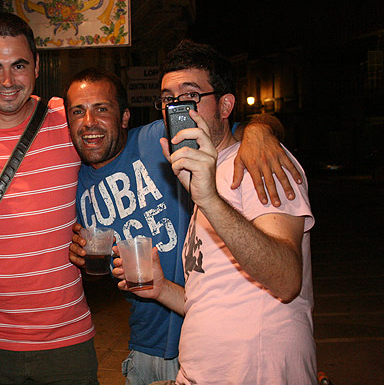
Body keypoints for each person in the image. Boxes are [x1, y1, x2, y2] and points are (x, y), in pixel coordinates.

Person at [65, 68, 301, 385]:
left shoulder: (157, 140)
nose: (89, 121)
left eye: (101, 109)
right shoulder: (74, 186)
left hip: (211, 342)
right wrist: (83, 260)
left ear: (124, 117)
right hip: (145, 345)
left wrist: (261, 131)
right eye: (77, 111)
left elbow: (232, 128)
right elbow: (105, 273)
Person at [113, 40, 316, 384]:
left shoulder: (257, 163)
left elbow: (286, 280)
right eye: (168, 99)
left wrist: (209, 199)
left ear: (225, 105)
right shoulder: (205, 174)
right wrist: (161, 289)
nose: (176, 108)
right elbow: (211, 300)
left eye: (190, 95)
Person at [0, 12, 97, 384]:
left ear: (36, 66)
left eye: (18, 65)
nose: (7, 81)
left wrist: (244, 134)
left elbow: (136, 143)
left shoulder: (71, 120)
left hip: (67, 338)